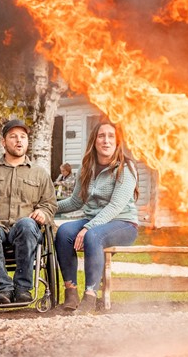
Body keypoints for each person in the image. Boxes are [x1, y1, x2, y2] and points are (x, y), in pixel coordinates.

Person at [0, 119, 57, 305]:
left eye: (23, 136)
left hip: (25, 231)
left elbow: (50, 203)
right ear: (3, 142)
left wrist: (43, 213)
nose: (19, 140)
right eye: (13, 136)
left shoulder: (39, 174)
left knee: (27, 223)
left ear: (27, 142)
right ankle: (4, 289)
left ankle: (23, 289)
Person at [55, 121, 139, 314]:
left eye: (111, 136)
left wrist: (87, 228)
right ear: (94, 140)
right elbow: (75, 202)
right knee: (64, 232)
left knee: (93, 235)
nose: (106, 140)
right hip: (95, 222)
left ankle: (90, 297)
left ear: (117, 141)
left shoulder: (126, 168)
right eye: (102, 136)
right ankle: (71, 292)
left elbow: (115, 206)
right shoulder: (86, 169)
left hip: (124, 223)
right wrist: (46, 207)